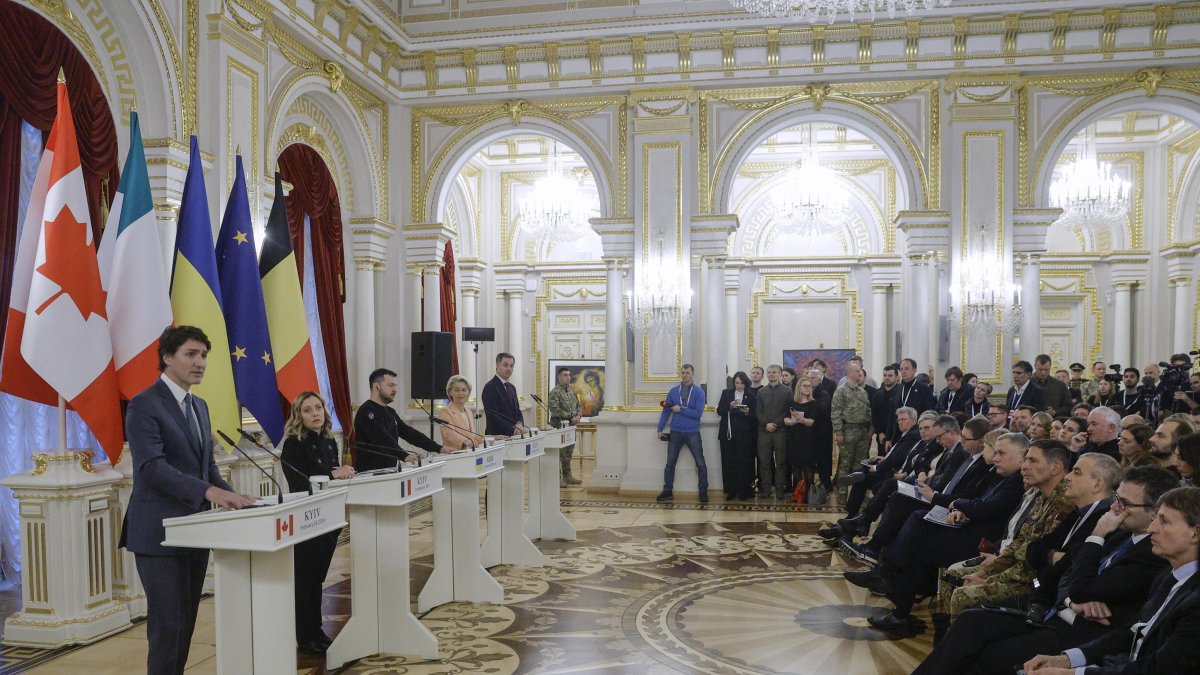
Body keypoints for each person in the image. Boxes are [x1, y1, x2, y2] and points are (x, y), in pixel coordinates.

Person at [917, 465, 1174, 674]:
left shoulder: (1150, 553)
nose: (1115, 508)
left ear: (1155, 512)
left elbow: (1081, 585)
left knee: (990, 655)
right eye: (1117, 498)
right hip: (1055, 609)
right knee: (971, 621)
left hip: (1082, 634)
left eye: (1125, 503)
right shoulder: (1122, 535)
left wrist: (1096, 536)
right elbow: (1063, 570)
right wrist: (1073, 599)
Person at [120, 326, 258, 675]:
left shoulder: (199, 405)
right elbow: (151, 468)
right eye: (191, 354)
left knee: (185, 625)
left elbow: (206, 465)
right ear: (167, 358)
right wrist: (209, 493)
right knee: (167, 629)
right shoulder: (144, 404)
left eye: (204, 356)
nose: (201, 363)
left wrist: (232, 495)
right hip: (159, 534)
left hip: (195, 530)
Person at [1021, 486, 1200, 675]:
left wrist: (1073, 673)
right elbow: (1131, 633)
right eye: (1155, 518)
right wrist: (1067, 660)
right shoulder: (1169, 575)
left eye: (1164, 521)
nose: (1151, 528)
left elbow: (1158, 669)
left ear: (1195, 534)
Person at [279, 391, 354, 655]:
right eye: (308, 410)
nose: (315, 414)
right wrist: (333, 474)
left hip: (329, 517)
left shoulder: (328, 440)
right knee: (306, 579)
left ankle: (316, 632)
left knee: (318, 578)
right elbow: (300, 481)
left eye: (319, 408)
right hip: (307, 519)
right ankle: (305, 636)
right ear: (299, 415)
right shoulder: (293, 445)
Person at [353, 368, 453, 470]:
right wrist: (404, 455)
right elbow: (382, 438)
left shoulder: (390, 411)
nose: (395, 390)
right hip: (369, 473)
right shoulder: (367, 411)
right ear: (376, 387)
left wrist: (439, 448)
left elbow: (409, 433)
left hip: (389, 470)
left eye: (395, 386)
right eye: (391, 385)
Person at [655, 364, 708, 502]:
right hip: (676, 431)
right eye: (683, 372)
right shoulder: (673, 391)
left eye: (687, 372)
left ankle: (703, 492)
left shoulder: (699, 392)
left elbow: (698, 414)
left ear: (693, 374)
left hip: (693, 432)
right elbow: (666, 410)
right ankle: (667, 491)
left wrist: (681, 410)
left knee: (700, 463)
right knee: (670, 463)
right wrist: (660, 429)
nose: (685, 375)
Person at [785, 377, 830, 501]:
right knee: (795, 467)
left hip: (808, 438)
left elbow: (812, 422)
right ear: (799, 387)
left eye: (809, 386)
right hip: (794, 438)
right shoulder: (791, 402)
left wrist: (802, 420)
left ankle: (808, 494)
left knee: (808, 467)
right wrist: (793, 421)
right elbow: (785, 420)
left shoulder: (814, 403)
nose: (807, 388)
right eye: (804, 386)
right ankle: (797, 493)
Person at [831, 363, 873, 493]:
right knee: (845, 464)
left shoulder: (862, 392)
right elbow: (835, 412)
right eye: (858, 371)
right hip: (848, 430)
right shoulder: (841, 391)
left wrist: (871, 429)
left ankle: (856, 494)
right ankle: (842, 494)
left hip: (863, 431)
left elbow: (868, 411)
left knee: (859, 465)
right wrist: (839, 432)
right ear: (850, 373)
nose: (860, 374)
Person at [717, 371, 757, 501]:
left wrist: (747, 412)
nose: (738, 385)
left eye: (741, 383)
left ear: (746, 384)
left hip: (744, 435)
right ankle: (731, 490)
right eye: (736, 383)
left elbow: (754, 416)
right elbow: (719, 410)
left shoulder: (751, 396)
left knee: (743, 462)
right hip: (728, 433)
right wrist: (729, 406)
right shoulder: (726, 393)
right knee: (729, 462)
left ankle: (744, 490)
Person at [756, 364, 793, 500]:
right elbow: (758, 411)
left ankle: (779, 490)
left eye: (774, 372)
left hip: (781, 431)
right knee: (764, 461)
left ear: (779, 374)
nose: (771, 374)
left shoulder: (787, 391)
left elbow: (788, 411)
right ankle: (765, 490)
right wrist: (766, 424)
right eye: (769, 372)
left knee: (781, 462)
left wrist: (776, 423)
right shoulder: (761, 392)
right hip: (764, 431)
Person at [547, 367, 583, 486]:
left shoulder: (572, 391)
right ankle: (557, 477)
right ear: (559, 377)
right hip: (559, 427)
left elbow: (579, 407)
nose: (568, 377)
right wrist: (570, 417)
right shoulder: (555, 392)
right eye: (565, 375)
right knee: (560, 454)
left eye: (569, 375)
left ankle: (568, 476)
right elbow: (555, 410)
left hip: (571, 427)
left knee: (568, 453)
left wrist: (578, 416)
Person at [482, 352, 528, 437]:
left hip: (514, 435)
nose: (509, 369)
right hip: (498, 436)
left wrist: (520, 424)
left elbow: (518, 411)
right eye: (505, 365)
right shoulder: (490, 387)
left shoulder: (512, 387)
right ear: (497, 365)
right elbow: (492, 415)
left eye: (511, 366)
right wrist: (512, 429)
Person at [436, 375, 481, 452]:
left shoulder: (469, 411)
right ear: (450, 392)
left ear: (468, 393)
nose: (461, 393)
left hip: (470, 453)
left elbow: (472, 436)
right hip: (454, 454)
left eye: (464, 390)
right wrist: (465, 441)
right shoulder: (445, 411)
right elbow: (449, 434)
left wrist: (491, 438)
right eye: (456, 390)